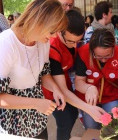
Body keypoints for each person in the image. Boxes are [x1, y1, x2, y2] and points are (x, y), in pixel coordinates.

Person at [0, 0, 67, 139]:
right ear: (39, 22)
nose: (54, 37)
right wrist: (35, 103)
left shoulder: (43, 42)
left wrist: (56, 89)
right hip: (9, 119)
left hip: (36, 117)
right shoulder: (5, 43)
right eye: (52, 31)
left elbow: (43, 73)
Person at [43, 9, 105, 140]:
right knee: (65, 120)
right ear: (59, 31)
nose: (74, 45)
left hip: (65, 84)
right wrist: (89, 109)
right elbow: (61, 90)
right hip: (52, 91)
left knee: (72, 114)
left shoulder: (73, 42)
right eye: (70, 41)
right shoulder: (52, 49)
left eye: (78, 41)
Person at [75, 29, 118, 129]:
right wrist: (88, 88)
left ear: (113, 48)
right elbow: (78, 82)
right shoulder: (83, 53)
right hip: (89, 99)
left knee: (114, 125)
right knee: (91, 125)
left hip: (111, 96)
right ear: (92, 49)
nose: (103, 60)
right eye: (98, 56)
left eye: (107, 56)